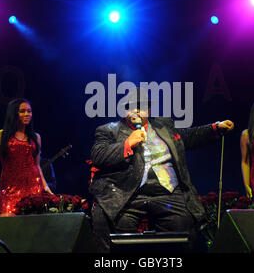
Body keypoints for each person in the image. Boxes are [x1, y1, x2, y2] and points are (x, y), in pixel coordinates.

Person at [89, 88, 234, 252]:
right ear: (124, 110)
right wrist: (127, 143)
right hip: (128, 194)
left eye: (141, 106)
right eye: (131, 106)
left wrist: (215, 128)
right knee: (122, 230)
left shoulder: (165, 126)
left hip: (167, 192)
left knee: (182, 226)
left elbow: (188, 137)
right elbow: (98, 156)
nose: (136, 110)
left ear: (148, 111)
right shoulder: (109, 130)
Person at [0, 98, 53, 217]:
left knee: (32, 230)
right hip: (9, 192)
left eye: (29, 111)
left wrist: (45, 186)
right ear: (14, 114)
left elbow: (36, 165)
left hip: (33, 191)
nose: (27, 114)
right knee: (8, 230)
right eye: (22, 111)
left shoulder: (35, 137)